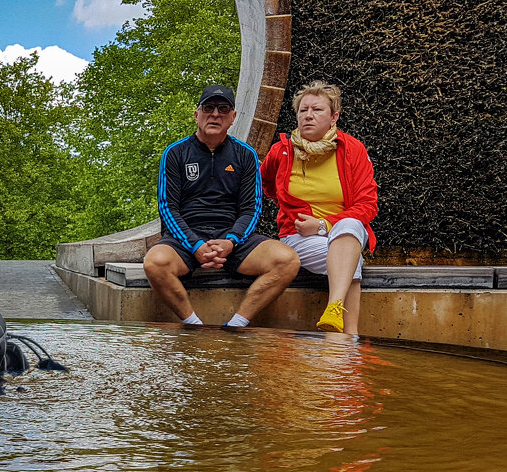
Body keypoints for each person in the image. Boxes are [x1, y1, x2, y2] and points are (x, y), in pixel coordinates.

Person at [144, 84, 301, 327]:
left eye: (223, 108)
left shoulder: (245, 155)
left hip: (233, 240)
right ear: (197, 114)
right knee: (154, 263)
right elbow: (167, 208)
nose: (215, 114)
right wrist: (195, 244)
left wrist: (231, 241)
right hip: (186, 240)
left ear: (233, 118)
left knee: (288, 260)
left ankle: (237, 324)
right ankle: (194, 325)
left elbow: (252, 208)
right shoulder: (174, 153)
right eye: (208, 108)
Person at [261, 81, 378, 334]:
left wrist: (324, 225)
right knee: (352, 260)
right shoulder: (281, 151)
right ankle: (349, 338)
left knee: (351, 225)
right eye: (303, 110)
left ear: (334, 116)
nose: (308, 116)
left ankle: (335, 312)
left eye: (317, 110)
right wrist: (287, 208)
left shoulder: (352, 150)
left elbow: (367, 204)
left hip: (342, 233)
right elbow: (265, 184)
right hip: (298, 236)